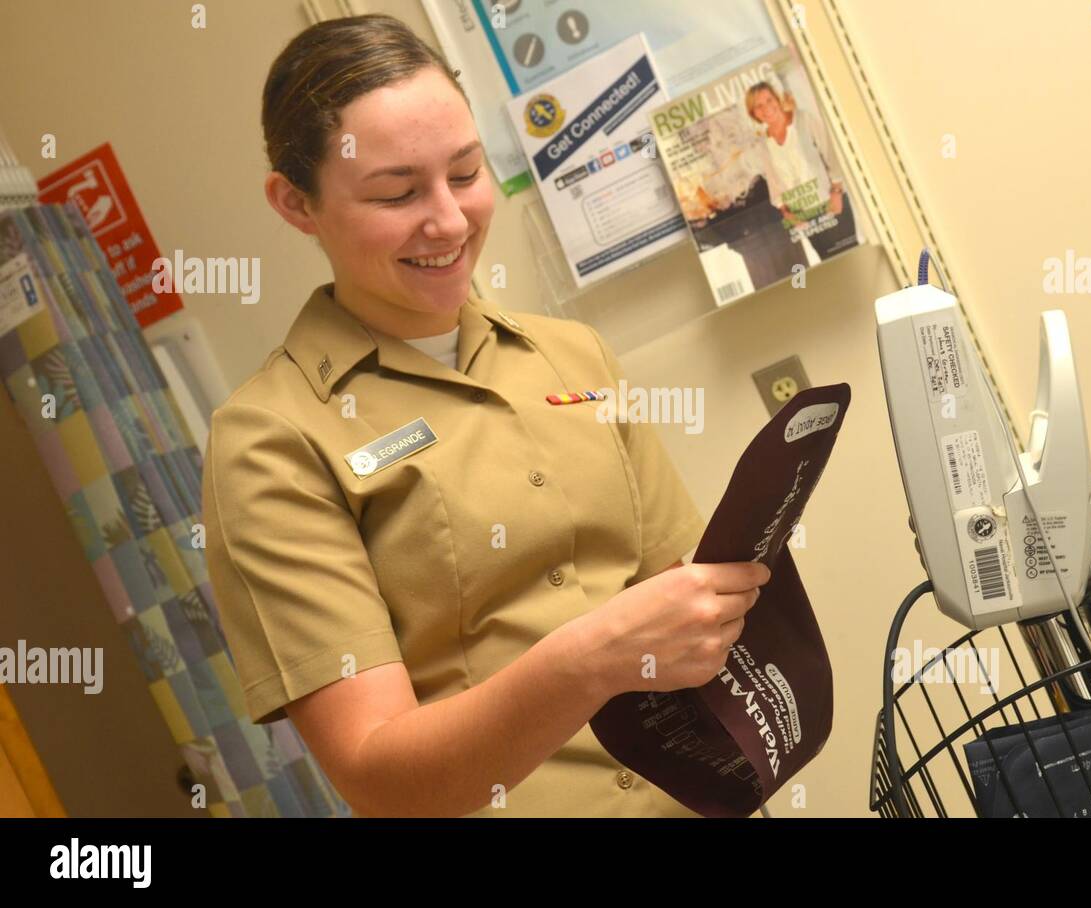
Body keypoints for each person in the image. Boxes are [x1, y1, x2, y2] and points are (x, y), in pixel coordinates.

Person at [200, 14, 770, 818]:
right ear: (295, 204)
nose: (448, 221)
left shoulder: (572, 356)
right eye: (396, 192)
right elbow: (378, 776)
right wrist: (590, 660)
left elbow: (688, 597)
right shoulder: (271, 442)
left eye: (465, 175)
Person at [745, 80, 859, 264]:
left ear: (777, 99)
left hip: (829, 202)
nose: (766, 108)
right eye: (758, 106)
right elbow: (774, 183)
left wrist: (837, 192)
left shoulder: (804, 119)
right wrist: (786, 212)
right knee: (830, 265)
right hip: (802, 216)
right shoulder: (763, 146)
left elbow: (831, 154)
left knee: (853, 258)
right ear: (754, 113)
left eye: (769, 100)